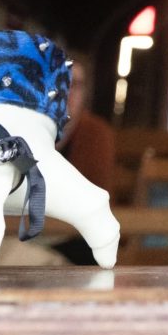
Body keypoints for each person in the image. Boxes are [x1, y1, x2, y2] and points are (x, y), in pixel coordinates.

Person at [53, 54, 115, 264]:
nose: (67, 93)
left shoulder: (95, 134)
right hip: (21, 234)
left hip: (74, 239)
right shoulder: (24, 129)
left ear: (85, 93)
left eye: (76, 85)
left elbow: (92, 199)